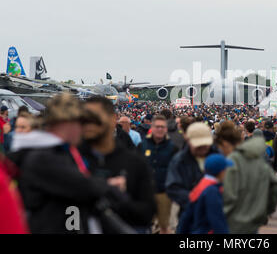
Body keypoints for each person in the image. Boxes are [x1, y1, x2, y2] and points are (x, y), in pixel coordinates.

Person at [10, 93, 129, 233]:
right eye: (80, 123)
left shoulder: (60, 151)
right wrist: (110, 186)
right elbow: (80, 184)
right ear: (67, 124)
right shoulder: (42, 157)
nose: (83, 128)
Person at [78, 96, 156, 233]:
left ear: (113, 119)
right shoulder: (71, 159)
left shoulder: (135, 162)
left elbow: (147, 213)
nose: (89, 123)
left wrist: (119, 199)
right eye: (84, 118)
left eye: (95, 117)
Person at [223, 136, 277, 234]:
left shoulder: (234, 158)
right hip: (254, 217)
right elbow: (274, 188)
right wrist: (266, 211)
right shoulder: (263, 165)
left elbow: (227, 189)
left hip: (233, 216)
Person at [165, 122, 219, 216]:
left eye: (205, 144)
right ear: (188, 141)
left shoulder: (219, 156)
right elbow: (172, 187)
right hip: (189, 212)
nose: (202, 147)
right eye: (198, 145)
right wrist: (194, 198)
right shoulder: (179, 160)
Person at [139, 115, 178, 234]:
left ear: (166, 129)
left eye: (162, 127)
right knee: (145, 224)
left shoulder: (172, 148)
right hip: (146, 192)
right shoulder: (143, 145)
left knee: (164, 226)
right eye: (157, 127)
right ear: (152, 127)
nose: (160, 129)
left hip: (164, 192)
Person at [177, 154, 233, 234]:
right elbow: (217, 220)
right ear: (221, 172)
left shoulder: (201, 185)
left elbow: (186, 216)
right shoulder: (212, 191)